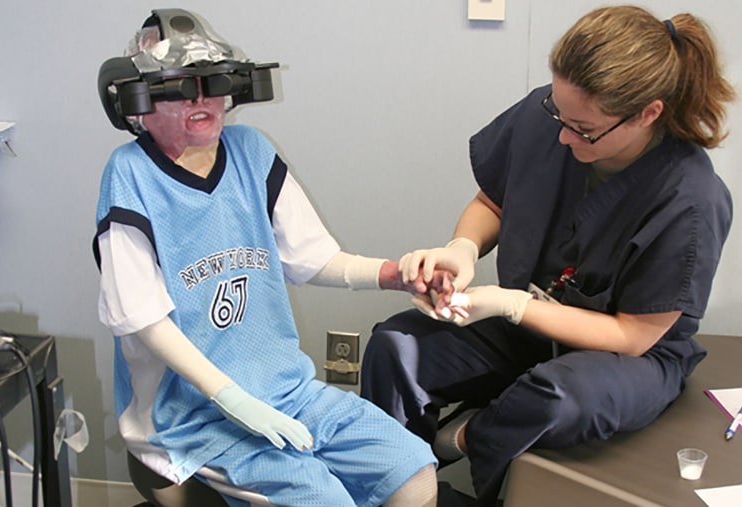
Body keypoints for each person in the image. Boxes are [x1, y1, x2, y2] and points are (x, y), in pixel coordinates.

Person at [360, 5, 735, 506]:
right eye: (558, 114)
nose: (562, 135)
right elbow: (492, 199)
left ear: (648, 113)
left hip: (626, 356)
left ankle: (464, 440)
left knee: (557, 396)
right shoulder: (553, 114)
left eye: (582, 129)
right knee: (397, 344)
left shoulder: (690, 199)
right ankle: (392, 485)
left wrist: (511, 306)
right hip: (527, 323)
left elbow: (632, 334)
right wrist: (461, 249)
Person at [93, 9, 441, 507]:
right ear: (138, 102)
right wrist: (233, 399)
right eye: (179, 86)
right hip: (191, 415)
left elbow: (313, 258)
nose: (201, 99)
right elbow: (145, 320)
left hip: (285, 388)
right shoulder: (130, 175)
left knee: (415, 475)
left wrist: (393, 275)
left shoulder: (250, 151)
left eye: (212, 82)